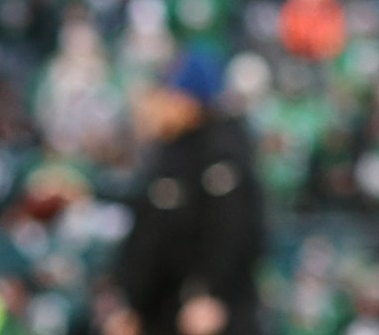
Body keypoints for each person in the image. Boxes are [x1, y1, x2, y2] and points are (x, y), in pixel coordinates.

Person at [110, 52, 264, 335]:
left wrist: (210, 293)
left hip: (201, 312)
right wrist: (133, 306)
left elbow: (233, 229)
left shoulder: (220, 150)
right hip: (161, 310)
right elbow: (150, 237)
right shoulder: (171, 152)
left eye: (166, 95)